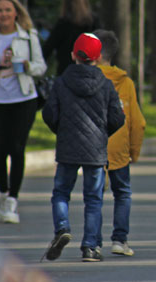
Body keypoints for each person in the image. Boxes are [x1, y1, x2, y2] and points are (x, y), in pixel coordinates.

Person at [41, 33, 125, 262]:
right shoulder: (106, 85)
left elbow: (49, 113)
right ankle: (90, 247)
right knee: (93, 199)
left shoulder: (60, 83)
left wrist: (62, 130)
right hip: (96, 150)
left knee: (60, 193)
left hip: (68, 147)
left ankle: (62, 228)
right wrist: (101, 134)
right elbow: (118, 117)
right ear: (97, 59)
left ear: (72, 55)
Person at [0, 0, 48, 224]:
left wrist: (27, 66)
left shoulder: (28, 37)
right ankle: (3, 192)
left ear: (16, 12)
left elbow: (41, 67)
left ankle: (12, 200)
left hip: (23, 99)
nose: (4, 14)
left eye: (8, 10)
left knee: (17, 148)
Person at [95, 29, 146, 257]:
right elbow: (137, 122)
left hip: (91, 149)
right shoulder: (125, 83)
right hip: (119, 150)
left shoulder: (87, 79)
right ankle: (119, 240)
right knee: (122, 194)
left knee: (94, 196)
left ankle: (92, 242)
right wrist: (133, 153)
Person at [42, 0, 100, 76]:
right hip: (90, 73)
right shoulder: (93, 22)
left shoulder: (63, 23)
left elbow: (47, 49)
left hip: (67, 73)